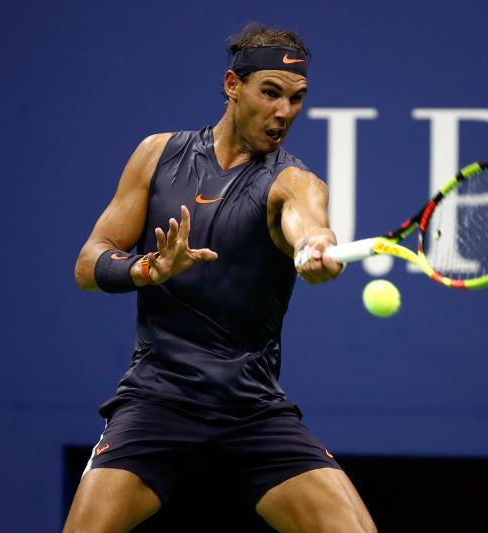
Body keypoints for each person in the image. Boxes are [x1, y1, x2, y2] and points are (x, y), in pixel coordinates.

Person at [64, 23, 377, 533]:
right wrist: (147, 268)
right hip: (156, 399)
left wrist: (313, 245)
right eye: (270, 93)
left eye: (297, 99)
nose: (284, 113)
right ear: (233, 85)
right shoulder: (156, 155)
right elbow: (88, 264)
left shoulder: (293, 181)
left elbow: (309, 222)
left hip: (250, 409)